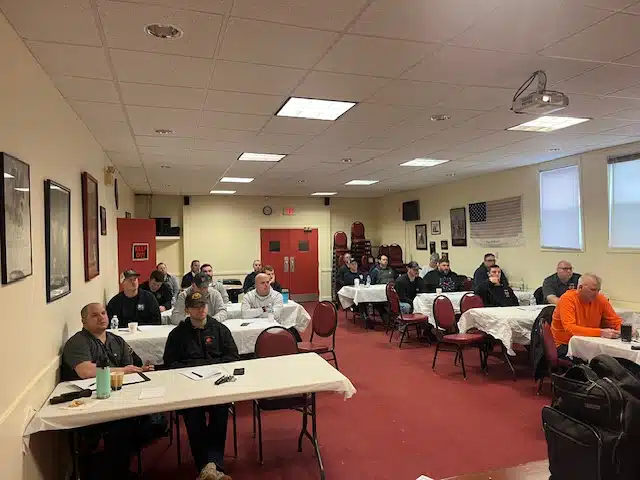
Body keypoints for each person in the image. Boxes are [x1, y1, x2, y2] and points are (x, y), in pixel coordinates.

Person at [62, 303, 155, 478]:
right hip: (91, 403)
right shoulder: (78, 342)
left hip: (121, 396)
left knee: (154, 420)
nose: (101, 317)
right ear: (83, 321)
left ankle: (117, 464)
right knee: (123, 426)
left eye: (103, 313)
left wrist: (140, 369)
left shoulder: (116, 340)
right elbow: (85, 371)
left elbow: (131, 366)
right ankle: (112, 470)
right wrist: (123, 371)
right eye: (94, 315)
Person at [163, 292, 237, 480]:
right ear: (187, 310)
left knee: (220, 412)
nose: (201, 309)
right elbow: (170, 363)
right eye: (195, 306)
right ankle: (211, 466)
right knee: (193, 416)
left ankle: (209, 467)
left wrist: (213, 368)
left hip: (217, 385)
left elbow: (233, 357)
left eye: (203, 305)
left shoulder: (220, 329)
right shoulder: (177, 335)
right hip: (189, 387)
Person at [551, 273, 622, 359]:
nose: (596, 293)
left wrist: (624, 329)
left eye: (598, 290)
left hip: (589, 343)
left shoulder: (600, 299)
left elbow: (615, 321)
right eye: (593, 290)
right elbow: (570, 329)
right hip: (565, 345)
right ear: (580, 288)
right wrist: (601, 332)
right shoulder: (567, 299)